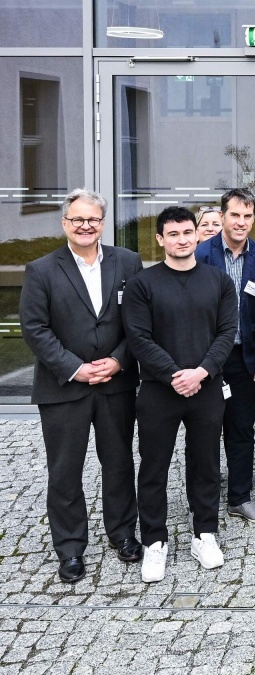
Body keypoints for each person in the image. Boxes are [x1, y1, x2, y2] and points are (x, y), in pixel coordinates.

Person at [20, 189, 145, 583]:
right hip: (64, 387)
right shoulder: (41, 270)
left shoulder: (128, 262)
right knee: (64, 471)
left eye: (92, 219)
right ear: (65, 224)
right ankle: (71, 548)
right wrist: (76, 368)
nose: (85, 225)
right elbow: (35, 329)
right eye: (77, 219)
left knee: (120, 463)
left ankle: (123, 534)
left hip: (115, 384)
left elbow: (140, 322)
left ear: (103, 223)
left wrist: (119, 360)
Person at [123, 206, 237, 582]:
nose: (182, 240)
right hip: (159, 390)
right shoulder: (143, 284)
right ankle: (154, 540)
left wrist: (201, 372)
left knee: (205, 463)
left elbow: (226, 334)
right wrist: (174, 374)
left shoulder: (219, 281)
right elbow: (138, 338)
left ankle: (204, 533)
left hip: (206, 388)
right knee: (153, 466)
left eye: (188, 232)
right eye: (173, 234)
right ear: (160, 240)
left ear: (198, 234)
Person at [194, 188, 255, 525]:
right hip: (207, 360)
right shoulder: (200, 255)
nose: (241, 222)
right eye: (234, 215)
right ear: (223, 217)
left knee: (242, 428)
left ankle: (239, 497)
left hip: (247, 360)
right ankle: (204, 498)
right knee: (206, 429)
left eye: (247, 216)